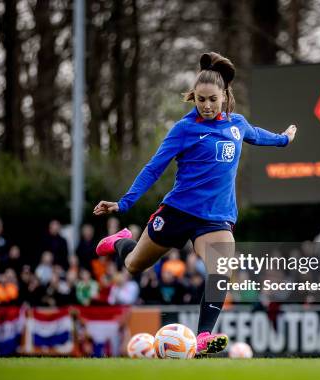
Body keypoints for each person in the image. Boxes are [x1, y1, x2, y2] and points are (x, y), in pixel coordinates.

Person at [92, 52, 297, 356]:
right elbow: (153, 168)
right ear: (194, 98)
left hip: (215, 219)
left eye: (212, 99)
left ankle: (203, 337)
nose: (207, 105)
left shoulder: (237, 125)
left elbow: (258, 136)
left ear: (224, 95)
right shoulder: (184, 129)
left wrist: (283, 140)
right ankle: (122, 241)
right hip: (177, 212)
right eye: (200, 99)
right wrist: (123, 204)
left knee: (222, 268)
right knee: (134, 264)